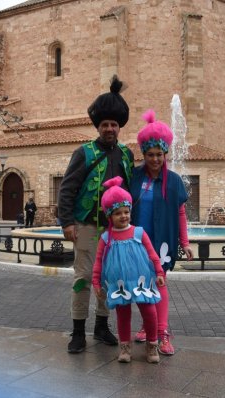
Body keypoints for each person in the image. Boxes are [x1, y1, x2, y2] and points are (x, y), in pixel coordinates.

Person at [58, 75, 135, 353]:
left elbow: (131, 190)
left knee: (110, 277)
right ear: (98, 127)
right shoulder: (85, 153)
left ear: (119, 126)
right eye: (105, 125)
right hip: (87, 226)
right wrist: (66, 221)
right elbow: (67, 187)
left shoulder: (126, 155)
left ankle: (102, 327)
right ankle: (78, 331)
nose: (110, 129)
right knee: (83, 277)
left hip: (115, 231)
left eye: (114, 124)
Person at [130, 109, 194, 356]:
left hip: (161, 241)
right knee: (140, 284)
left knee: (159, 283)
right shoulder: (134, 177)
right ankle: (148, 327)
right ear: (143, 154)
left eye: (159, 154)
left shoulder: (175, 181)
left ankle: (162, 332)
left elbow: (180, 213)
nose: (155, 159)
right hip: (136, 242)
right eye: (150, 155)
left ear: (165, 153)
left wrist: (185, 242)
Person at [92, 177, 165, 363]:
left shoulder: (139, 232)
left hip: (142, 279)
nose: (123, 216)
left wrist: (159, 272)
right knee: (122, 314)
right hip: (120, 283)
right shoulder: (106, 238)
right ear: (110, 216)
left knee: (149, 311)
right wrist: (96, 283)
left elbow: (152, 254)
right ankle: (125, 347)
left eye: (126, 211)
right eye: (118, 213)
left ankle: (151, 345)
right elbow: (99, 262)